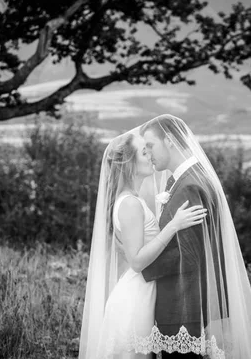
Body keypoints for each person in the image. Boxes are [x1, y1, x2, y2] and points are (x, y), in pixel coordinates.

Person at [138, 114, 251, 359]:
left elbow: (188, 256)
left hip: (182, 306)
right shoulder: (189, 178)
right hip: (187, 303)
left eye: (150, 145)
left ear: (169, 141)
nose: (147, 153)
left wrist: (140, 263)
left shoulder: (189, 185)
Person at [79, 129, 208, 359]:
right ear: (129, 162)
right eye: (143, 151)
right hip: (135, 298)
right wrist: (173, 225)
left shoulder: (133, 199)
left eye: (149, 149)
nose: (150, 155)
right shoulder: (130, 203)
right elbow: (137, 261)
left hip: (145, 293)